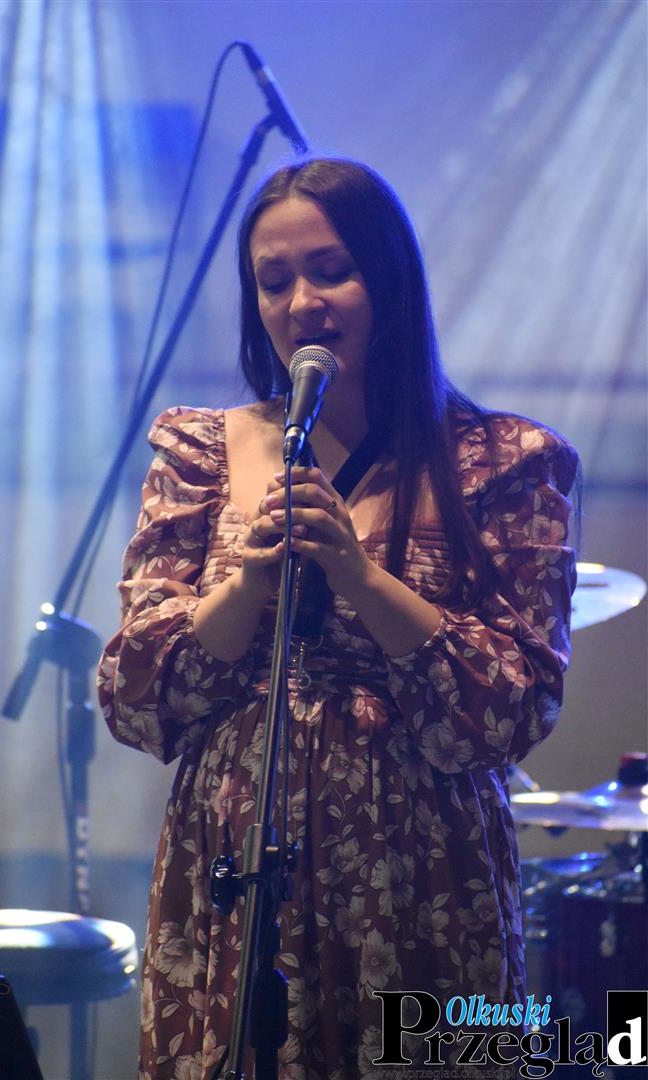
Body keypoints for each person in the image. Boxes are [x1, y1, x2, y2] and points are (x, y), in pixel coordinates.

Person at [97, 157, 579, 1080]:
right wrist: (247, 585)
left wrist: (357, 575)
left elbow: (514, 709)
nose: (301, 304)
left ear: (389, 280)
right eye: (273, 281)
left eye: (331, 271)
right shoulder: (200, 449)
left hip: (422, 879)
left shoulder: (507, 461)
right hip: (235, 875)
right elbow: (135, 699)